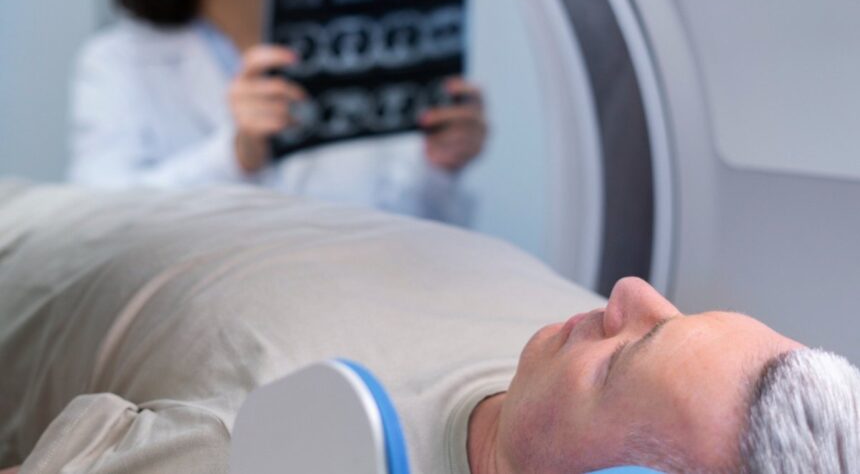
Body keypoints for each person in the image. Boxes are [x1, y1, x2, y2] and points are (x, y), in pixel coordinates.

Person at [0, 181, 857, 474]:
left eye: (623, 359)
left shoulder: (275, 445)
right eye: (677, 312)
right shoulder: (562, 348)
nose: (628, 293)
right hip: (113, 210)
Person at [68, 0, 487, 225]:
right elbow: (97, 225)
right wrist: (235, 156)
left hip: (360, 306)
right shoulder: (117, 60)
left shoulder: (369, 41)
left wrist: (439, 167)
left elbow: (416, 232)